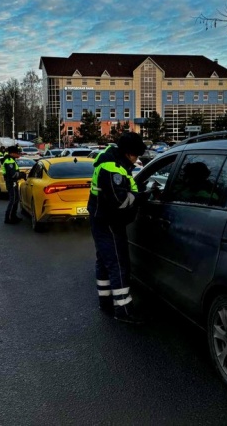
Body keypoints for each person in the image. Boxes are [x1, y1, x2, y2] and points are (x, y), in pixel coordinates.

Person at [87, 132, 149, 324]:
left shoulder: (113, 162)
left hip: (102, 219)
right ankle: (123, 309)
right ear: (128, 153)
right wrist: (141, 197)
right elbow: (120, 201)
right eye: (136, 155)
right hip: (109, 222)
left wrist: (136, 189)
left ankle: (105, 301)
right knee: (118, 263)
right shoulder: (112, 168)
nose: (137, 159)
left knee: (105, 261)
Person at [2, 145, 27, 224]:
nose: (19, 154)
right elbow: (13, 174)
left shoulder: (11, 159)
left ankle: (13, 216)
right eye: (17, 153)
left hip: (13, 182)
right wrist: (21, 174)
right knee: (13, 200)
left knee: (16, 200)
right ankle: (8, 218)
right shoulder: (9, 161)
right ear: (12, 153)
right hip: (11, 182)